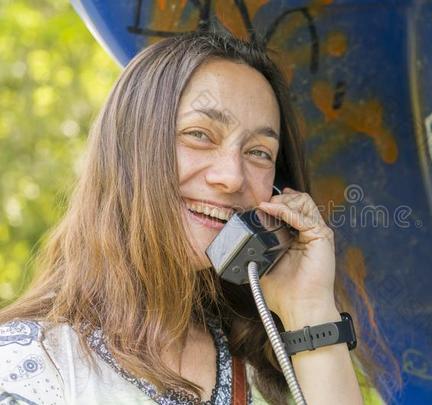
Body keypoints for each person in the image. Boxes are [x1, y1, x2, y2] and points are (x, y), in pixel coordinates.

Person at [0, 30, 373, 404]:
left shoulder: (273, 368)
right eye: (199, 134)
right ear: (130, 151)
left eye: (259, 152)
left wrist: (308, 309)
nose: (231, 177)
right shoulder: (30, 364)